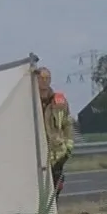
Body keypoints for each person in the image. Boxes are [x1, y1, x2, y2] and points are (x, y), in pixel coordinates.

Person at [36, 67, 73, 197]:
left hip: (57, 153)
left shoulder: (59, 102)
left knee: (56, 187)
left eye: (47, 78)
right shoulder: (30, 101)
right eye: (41, 78)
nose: (44, 81)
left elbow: (67, 124)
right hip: (37, 152)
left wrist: (68, 148)